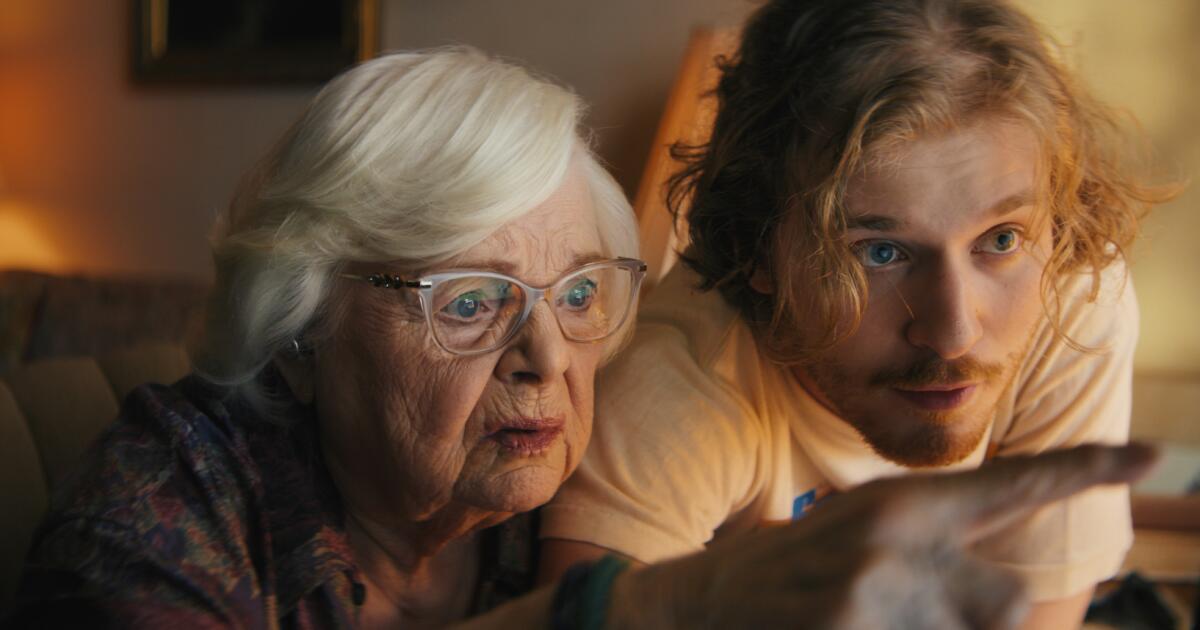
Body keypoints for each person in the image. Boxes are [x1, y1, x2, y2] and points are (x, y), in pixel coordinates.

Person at [7, 47, 1158, 630]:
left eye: (576, 296)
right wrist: (652, 612)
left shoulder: (554, 502)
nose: (549, 360)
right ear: (302, 318)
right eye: (470, 302)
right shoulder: (158, 514)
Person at [540, 0, 1174, 628]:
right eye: (880, 252)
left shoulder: (1071, 303)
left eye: (1001, 239)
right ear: (752, 247)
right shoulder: (678, 384)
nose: (953, 333)